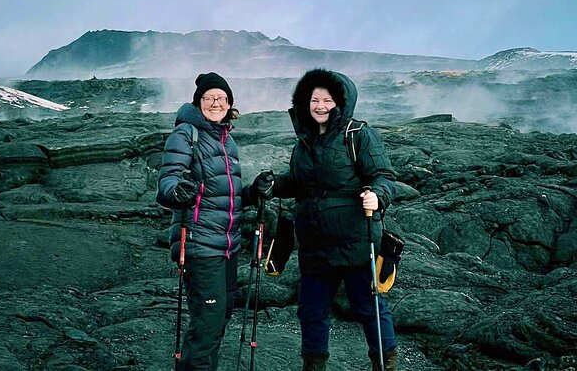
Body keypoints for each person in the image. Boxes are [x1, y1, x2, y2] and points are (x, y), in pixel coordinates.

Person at [253, 68, 398, 371]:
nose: (320, 106)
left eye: (327, 100)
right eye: (314, 99)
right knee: (311, 311)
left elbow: (383, 176)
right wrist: (275, 185)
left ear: (341, 103)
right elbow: (299, 183)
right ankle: (314, 366)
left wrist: (378, 195)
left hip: (356, 242)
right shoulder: (304, 142)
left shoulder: (358, 135)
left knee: (370, 307)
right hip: (314, 244)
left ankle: (385, 364)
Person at [156, 72, 259, 371]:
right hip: (201, 245)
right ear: (198, 102)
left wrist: (254, 192)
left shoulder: (227, 139)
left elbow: (227, 194)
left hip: (228, 246)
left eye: (222, 98)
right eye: (209, 98)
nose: (216, 103)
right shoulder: (187, 133)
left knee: (219, 317)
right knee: (208, 323)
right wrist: (177, 191)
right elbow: (167, 183)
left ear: (230, 104)